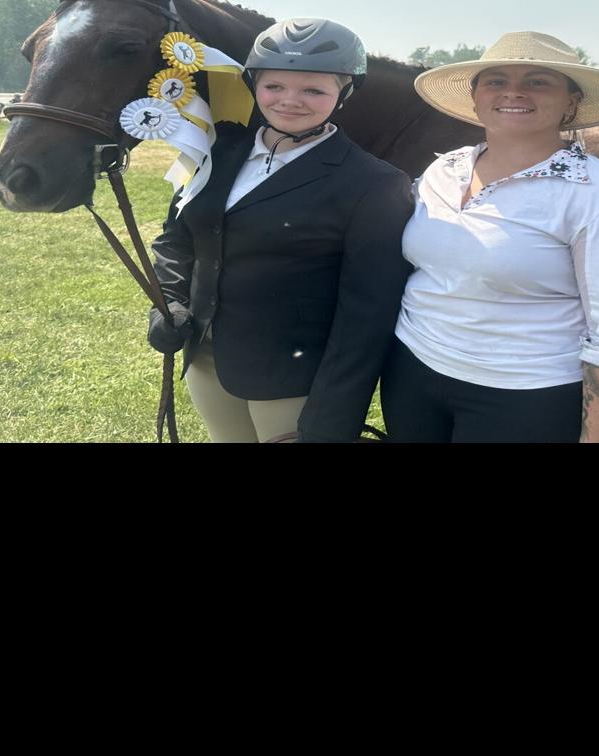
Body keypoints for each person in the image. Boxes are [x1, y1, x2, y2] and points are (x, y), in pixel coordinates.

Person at [382, 32, 599, 442]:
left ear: (572, 101)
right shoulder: (443, 172)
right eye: (496, 80)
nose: (513, 92)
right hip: (412, 372)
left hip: (524, 394)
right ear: (476, 96)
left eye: (538, 81)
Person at [147, 18, 413, 443]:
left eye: (313, 90)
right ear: (254, 85)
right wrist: (171, 301)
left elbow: (367, 316)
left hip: (293, 377)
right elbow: (177, 237)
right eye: (275, 87)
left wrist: (336, 409)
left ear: (344, 93)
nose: (291, 101)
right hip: (206, 359)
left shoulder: (375, 184)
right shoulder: (218, 151)